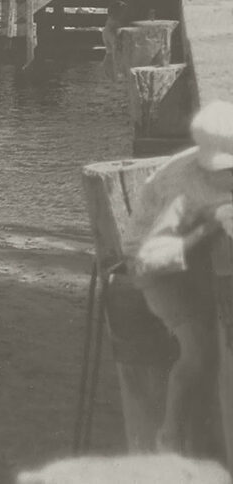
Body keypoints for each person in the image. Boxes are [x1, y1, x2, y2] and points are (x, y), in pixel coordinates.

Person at [125, 100, 233, 453]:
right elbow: (147, 260)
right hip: (158, 264)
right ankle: (170, 433)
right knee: (200, 352)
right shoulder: (182, 187)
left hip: (198, 255)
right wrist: (207, 228)